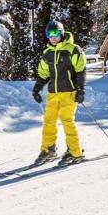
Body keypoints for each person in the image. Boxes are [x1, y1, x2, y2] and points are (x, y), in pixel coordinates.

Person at [30, 20, 88, 166]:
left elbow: (81, 70)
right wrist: (37, 89)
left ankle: (75, 152)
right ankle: (48, 150)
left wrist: (81, 90)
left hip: (69, 92)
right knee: (49, 121)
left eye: (55, 34)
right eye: (49, 34)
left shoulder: (73, 49)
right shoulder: (47, 53)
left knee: (67, 121)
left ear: (61, 33)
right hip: (53, 94)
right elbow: (43, 74)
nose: (53, 37)